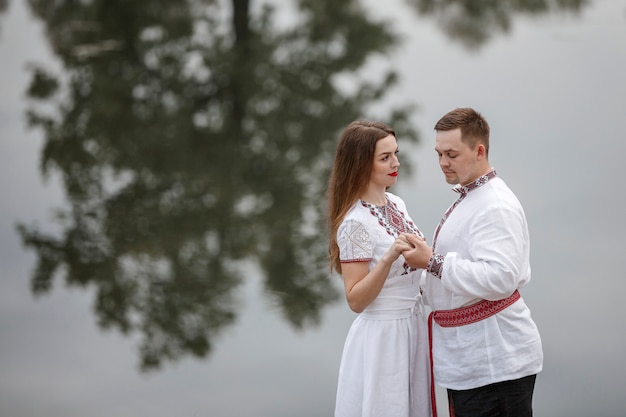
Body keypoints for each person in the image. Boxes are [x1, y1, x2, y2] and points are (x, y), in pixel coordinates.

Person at [400, 108, 543, 417]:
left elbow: (501, 278)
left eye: (451, 154)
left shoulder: (496, 205)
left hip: (496, 365)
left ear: (480, 151)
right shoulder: (472, 198)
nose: (442, 163)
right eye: (438, 154)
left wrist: (433, 262)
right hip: (472, 362)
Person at [328, 120, 432, 417]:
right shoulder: (354, 224)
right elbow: (355, 300)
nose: (396, 163)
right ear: (361, 164)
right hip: (383, 338)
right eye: (385, 158)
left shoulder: (396, 203)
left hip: (413, 327)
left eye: (395, 154)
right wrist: (387, 259)